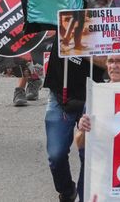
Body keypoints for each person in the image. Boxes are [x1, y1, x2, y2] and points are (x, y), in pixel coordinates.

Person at [44, 40, 108, 202]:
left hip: (93, 96)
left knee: (88, 155)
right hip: (60, 96)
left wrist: (81, 49)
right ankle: (67, 191)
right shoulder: (62, 18)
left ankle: (86, 196)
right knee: (56, 155)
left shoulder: (106, 22)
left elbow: (112, 61)